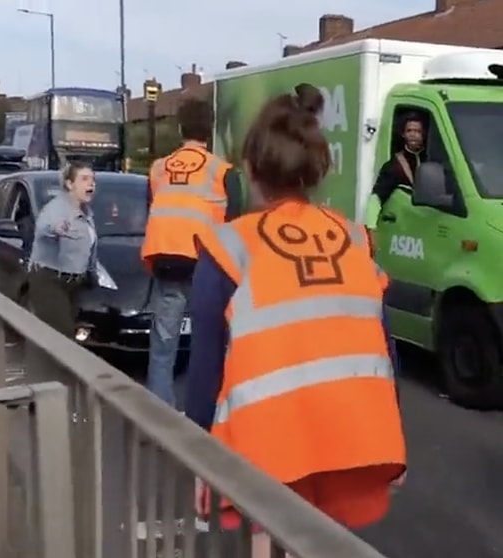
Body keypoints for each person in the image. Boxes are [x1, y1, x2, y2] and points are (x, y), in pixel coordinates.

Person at [185, 88, 406, 551]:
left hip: (268, 448)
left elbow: (205, 370)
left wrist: (201, 458)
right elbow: (384, 347)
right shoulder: (354, 238)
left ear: (250, 170)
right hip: (356, 436)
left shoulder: (230, 246)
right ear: (313, 171)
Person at [141, 97, 243, 406]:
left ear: (180, 128)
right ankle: (205, 415)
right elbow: (236, 226)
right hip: (203, 265)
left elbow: (154, 208)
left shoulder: (158, 169)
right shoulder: (223, 172)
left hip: (165, 261)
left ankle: (159, 415)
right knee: (207, 344)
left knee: (163, 345)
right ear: (209, 131)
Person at [27, 162, 98, 338]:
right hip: (50, 279)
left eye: (92, 180)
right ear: (69, 184)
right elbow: (44, 228)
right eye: (84, 179)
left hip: (74, 282)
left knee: (68, 333)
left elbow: (89, 249)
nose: (91, 184)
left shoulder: (86, 213)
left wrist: (91, 273)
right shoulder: (56, 209)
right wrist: (56, 229)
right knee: (62, 335)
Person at [364, 112, 426, 232]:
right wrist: (370, 227)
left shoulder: (432, 159)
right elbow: (377, 197)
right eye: (409, 131)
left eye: (417, 131)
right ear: (403, 134)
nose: (413, 135)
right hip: (406, 225)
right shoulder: (394, 165)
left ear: (424, 134)